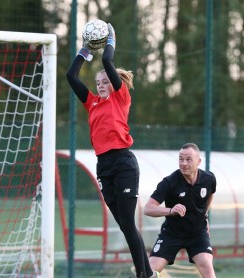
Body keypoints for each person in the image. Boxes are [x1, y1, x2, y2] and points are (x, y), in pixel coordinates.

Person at [66, 23, 153, 278]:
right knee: (125, 226)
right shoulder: (92, 103)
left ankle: (143, 275)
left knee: (128, 222)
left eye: (105, 80)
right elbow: (71, 76)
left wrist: (110, 40)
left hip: (123, 162)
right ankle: (147, 273)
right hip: (103, 167)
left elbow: (107, 61)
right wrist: (83, 51)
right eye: (98, 82)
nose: (101, 84)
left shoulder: (120, 97)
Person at [144, 143, 216, 278]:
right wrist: (170, 210)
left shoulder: (209, 179)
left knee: (207, 265)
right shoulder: (169, 182)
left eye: (188, 159)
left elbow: (210, 194)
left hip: (197, 233)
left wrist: (204, 216)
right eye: (181, 159)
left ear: (198, 161)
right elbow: (148, 208)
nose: (183, 163)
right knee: (149, 273)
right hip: (172, 234)